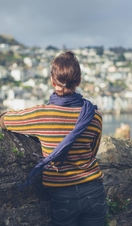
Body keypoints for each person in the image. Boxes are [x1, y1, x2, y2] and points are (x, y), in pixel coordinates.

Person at [0, 51, 107, 226]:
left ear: (52, 80)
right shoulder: (94, 116)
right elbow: (92, 152)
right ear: (79, 81)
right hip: (93, 189)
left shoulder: (41, 115)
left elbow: (4, 121)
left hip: (62, 193)